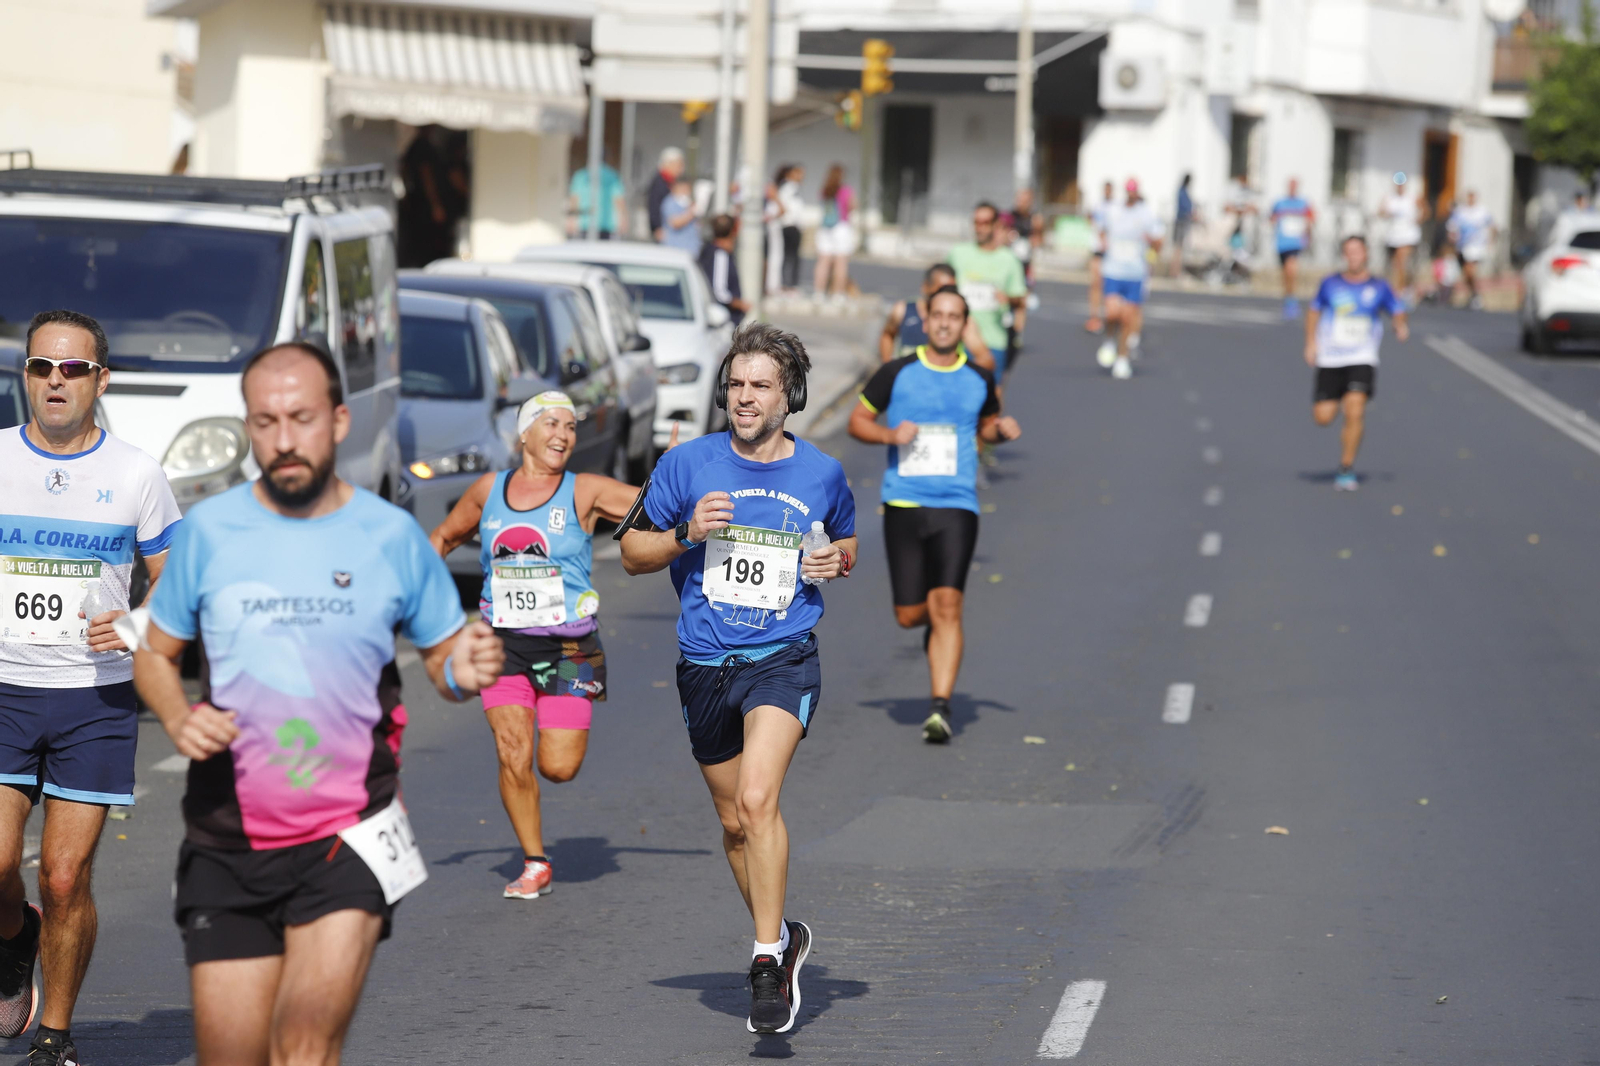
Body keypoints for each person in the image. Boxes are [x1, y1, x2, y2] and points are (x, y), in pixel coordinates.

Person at [133, 341, 504, 1066]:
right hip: (226, 837)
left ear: (337, 420)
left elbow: (443, 660)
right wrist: (178, 716)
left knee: (303, 1045)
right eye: (264, 422)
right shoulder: (209, 531)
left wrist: (468, 668)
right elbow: (154, 651)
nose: (283, 440)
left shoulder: (390, 536)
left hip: (349, 833)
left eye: (300, 418)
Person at [619, 323, 855, 1035]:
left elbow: (843, 544)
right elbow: (631, 553)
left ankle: (762, 963)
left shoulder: (820, 473)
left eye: (761, 386)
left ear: (791, 399)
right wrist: (686, 534)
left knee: (758, 801)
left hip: (783, 657)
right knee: (733, 824)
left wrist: (830, 563)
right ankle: (782, 937)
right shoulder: (685, 465)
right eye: (736, 385)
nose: (744, 398)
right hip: (703, 664)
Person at [0, 310, 181, 1066]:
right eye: (43, 367)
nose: (55, 382)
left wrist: (139, 625)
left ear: (100, 381)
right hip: (4, 688)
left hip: (94, 699)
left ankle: (56, 1036)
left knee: (68, 875)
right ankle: (15, 936)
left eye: (73, 370)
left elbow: (177, 581)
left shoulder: (136, 472)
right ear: (26, 376)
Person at [428, 391, 643, 900]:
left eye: (570, 427)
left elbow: (653, 503)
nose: (563, 435)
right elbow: (442, 539)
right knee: (512, 751)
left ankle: (537, 843)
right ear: (523, 433)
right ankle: (534, 861)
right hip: (503, 644)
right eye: (551, 424)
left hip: (570, 649)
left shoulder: (584, 490)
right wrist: (420, 603)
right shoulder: (488, 491)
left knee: (558, 767)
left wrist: (683, 472)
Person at [848, 287, 1021, 743]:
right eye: (938, 315)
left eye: (954, 317)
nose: (945, 323)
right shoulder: (897, 372)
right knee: (909, 615)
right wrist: (890, 435)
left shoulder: (980, 379)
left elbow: (986, 426)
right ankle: (940, 630)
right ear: (926, 321)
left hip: (957, 505)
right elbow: (857, 422)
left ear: (965, 325)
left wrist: (999, 432)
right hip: (904, 502)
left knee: (948, 605)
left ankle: (940, 707)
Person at [1303, 235, 1409, 491]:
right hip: (1330, 357)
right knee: (1323, 417)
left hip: (1361, 357)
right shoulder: (1330, 284)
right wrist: (1310, 343)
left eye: (1358, 252)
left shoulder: (1379, 287)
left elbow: (1396, 307)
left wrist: (1400, 325)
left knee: (1355, 410)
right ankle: (1340, 398)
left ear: (1366, 255)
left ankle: (1346, 468)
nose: (1354, 256)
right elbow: (1314, 310)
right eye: (1349, 252)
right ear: (1344, 256)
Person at [947, 202, 1028, 378]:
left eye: (985, 223)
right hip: (957, 340)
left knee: (992, 397)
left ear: (995, 225)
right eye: (976, 222)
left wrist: (1008, 298)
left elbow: (1021, 299)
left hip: (993, 340)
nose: (979, 228)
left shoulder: (1009, 260)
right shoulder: (958, 253)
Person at [1095, 179, 1163, 380]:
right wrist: (1104, 243)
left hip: (1134, 273)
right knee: (1111, 313)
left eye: (1134, 191)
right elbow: (1100, 227)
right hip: (1114, 271)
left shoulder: (1146, 214)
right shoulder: (1114, 210)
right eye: (1129, 191)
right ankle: (1109, 340)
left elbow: (1158, 240)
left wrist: (1151, 252)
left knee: (1127, 319)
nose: (1131, 194)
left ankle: (1122, 358)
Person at [878, 263, 994, 369]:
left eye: (952, 289)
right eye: (941, 289)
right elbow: (887, 335)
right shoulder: (903, 310)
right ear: (925, 287)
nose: (944, 324)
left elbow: (986, 360)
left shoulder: (962, 322)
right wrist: (888, 367)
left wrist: (960, 377)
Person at [1271, 178, 1315, 318]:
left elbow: (1310, 220)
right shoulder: (1280, 203)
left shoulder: (1303, 203)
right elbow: (1272, 218)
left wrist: (1308, 237)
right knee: (1285, 272)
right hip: (1282, 242)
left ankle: (1291, 299)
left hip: (1295, 243)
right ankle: (1288, 296)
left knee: (1291, 269)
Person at [1380, 172, 1426, 305]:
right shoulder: (1389, 198)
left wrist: (1418, 219)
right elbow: (1381, 212)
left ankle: (1399, 292)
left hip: (1408, 236)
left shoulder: (1412, 198)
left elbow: (1425, 210)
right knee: (1396, 265)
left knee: (1401, 261)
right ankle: (1405, 288)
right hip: (1393, 235)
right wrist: (1385, 213)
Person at [698, 214, 750, 326]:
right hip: (723, 321)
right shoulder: (720, 254)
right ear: (733, 231)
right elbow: (719, 291)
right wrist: (740, 304)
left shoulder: (708, 250)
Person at [1447, 190, 1496, 310]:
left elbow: (1492, 226)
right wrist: (1452, 239)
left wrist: (1491, 242)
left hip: (1477, 246)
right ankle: (1474, 295)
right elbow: (1452, 228)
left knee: (1470, 270)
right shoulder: (1460, 212)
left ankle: (1475, 295)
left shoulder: (1482, 211)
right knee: (1466, 273)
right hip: (1462, 246)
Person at [813, 164, 855, 300]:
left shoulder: (825, 190)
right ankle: (838, 294)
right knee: (840, 263)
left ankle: (818, 293)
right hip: (841, 227)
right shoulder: (845, 190)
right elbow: (851, 206)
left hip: (825, 228)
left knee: (823, 262)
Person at [567, 157, 627, 240]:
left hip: (585, 224)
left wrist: (571, 220)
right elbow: (619, 200)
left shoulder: (580, 175)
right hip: (605, 226)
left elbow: (574, 201)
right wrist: (623, 220)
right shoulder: (612, 175)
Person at [1003, 187, 1045, 298]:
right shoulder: (1008, 217)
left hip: (1025, 264)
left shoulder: (1035, 219)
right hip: (1009, 261)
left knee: (1023, 298)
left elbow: (1038, 241)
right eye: (1020, 200)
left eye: (1025, 201)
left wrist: (1035, 236)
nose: (1022, 203)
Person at [1085, 181, 1114, 334]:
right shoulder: (1098, 206)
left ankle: (1108, 316)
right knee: (1095, 283)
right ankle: (1094, 316)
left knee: (1108, 286)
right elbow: (1090, 219)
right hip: (1097, 249)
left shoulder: (1116, 208)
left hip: (1111, 252)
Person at [776, 165, 806, 293]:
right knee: (789, 256)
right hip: (789, 226)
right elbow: (786, 209)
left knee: (793, 256)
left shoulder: (794, 188)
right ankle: (787, 284)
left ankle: (791, 284)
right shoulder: (788, 189)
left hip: (794, 226)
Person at [649, 147, 686, 244]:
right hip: (663, 230)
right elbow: (654, 205)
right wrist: (657, 227)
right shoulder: (660, 182)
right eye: (679, 165)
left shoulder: (671, 182)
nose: (681, 169)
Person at [661, 177, 702, 257]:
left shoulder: (688, 204)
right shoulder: (670, 203)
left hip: (691, 250)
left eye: (687, 189)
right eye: (683, 189)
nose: (685, 192)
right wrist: (692, 212)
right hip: (677, 251)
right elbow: (675, 223)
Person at [1171, 173, 1194, 278]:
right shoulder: (1182, 192)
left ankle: (1176, 271)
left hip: (1182, 222)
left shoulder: (1182, 191)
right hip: (1181, 222)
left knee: (1179, 248)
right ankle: (1175, 272)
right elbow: (1185, 208)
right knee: (1178, 248)